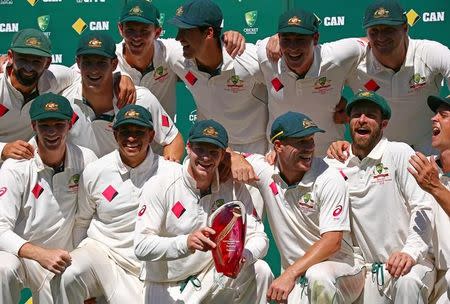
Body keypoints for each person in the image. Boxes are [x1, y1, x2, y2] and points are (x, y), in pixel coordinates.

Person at [134, 119, 273, 304]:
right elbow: (141, 246)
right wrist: (186, 242)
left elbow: (260, 237)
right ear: (188, 148)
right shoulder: (161, 184)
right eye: (200, 149)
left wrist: (244, 256)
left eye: (213, 152)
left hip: (210, 277)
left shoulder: (233, 188)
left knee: (260, 270)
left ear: (223, 155)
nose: (206, 157)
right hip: (166, 284)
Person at [50, 104, 179, 303]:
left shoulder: (172, 174)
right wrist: (86, 285)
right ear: (115, 134)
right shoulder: (95, 171)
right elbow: (82, 222)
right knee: (68, 274)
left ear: (152, 134)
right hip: (102, 252)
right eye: (125, 131)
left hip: (145, 267)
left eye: (139, 132)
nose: (131, 138)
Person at [325, 91, 435, 303]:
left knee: (407, 282)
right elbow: (298, 166)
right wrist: (273, 154)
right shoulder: (338, 164)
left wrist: (409, 253)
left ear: (383, 124)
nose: (362, 120)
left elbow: (422, 207)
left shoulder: (398, 152)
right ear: (349, 122)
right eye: (357, 114)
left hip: (414, 264)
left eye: (370, 115)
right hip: (370, 272)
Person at [244, 111, 365, 303]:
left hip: (342, 268)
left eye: (311, 140)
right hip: (298, 276)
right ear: (278, 146)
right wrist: (232, 159)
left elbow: (333, 241)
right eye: (301, 142)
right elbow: (225, 154)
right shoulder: (266, 171)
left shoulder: (329, 178)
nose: (309, 148)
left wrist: (289, 274)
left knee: (318, 276)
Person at [0, 93, 97, 303]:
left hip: (62, 259)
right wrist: (40, 254)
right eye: (44, 125)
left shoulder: (86, 159)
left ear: (70, 125)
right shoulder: (15, 167)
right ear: (34, 126)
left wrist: (84, 261)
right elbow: (0, 229)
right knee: (3, 268)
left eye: (59, 124)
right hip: (21, 256)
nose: (52, 132)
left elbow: (96, 215)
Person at [257, 8, 366, 155]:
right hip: (281, 156)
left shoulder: (336, 57)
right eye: (286, 39)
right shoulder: (267, 56)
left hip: (330, 156)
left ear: (315, 38)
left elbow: (374, 41)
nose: (293, 47)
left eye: (300, 39)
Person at [346, 0, 450, 153]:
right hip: (380, 153)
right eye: (374, 31)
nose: (381, 37)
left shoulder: (429, 52)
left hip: (427, 150)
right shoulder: (355, 61)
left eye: (389, 29)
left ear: (405, 28)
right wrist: (336, 102)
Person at [166, 0, 268, 155]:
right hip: (209, 146)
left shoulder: (247, 60)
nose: (178, 37)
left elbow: (281, 65)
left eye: (186, 31)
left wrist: (274, 40)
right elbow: (146, 46)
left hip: (254, 150)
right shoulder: (177, 55)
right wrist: (124, 74)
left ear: (209, 33)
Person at [62, 31, 184, 160]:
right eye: (88, 62)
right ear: (78, 63)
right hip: (85, 179)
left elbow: (173, 140)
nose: (94, 70)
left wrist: (167, 175)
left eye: (101, 63)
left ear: (114, 64)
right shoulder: (66, 102)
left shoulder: (140, 99)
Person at [0, 28, 81, 164]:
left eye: (36, 61)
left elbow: (80, 76)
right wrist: (3, 149)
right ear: (11, 57)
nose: (28, 68)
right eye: (23, 59)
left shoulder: (53, 78)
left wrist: (122, 77)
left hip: (29, 164)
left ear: (47, 63)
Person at [408, 95, 450, 303]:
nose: (434, 119)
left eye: (444, 115)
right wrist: (345, 148)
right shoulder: (423, 166)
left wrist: (435, 187)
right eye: (435, 114)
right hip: (429, 267)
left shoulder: (430, 178)